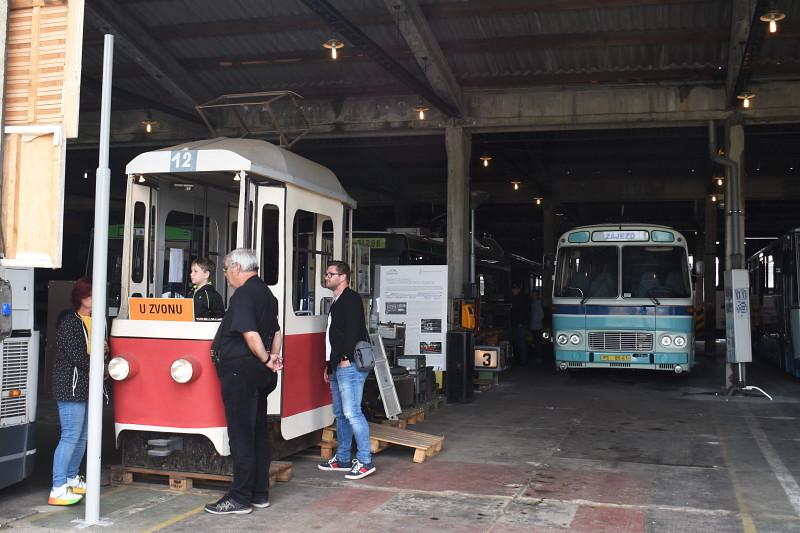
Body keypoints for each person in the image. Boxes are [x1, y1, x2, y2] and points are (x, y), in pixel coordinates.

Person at [204, 249, 284, 515]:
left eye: (226, 269)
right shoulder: (266, 293)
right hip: (257, 375)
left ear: (238, 267)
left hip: (241, 373)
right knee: (258, 432)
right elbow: (277, 331)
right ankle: (259, 493)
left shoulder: (244, 294)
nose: (225, 275)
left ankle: (239, 497)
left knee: (241, 436)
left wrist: (263, 358)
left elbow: (250, 335)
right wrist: (272, 358)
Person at [317, 260, 376, 480]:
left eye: (330, 274)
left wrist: (343, 358)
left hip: (348, 365)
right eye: (326, 274)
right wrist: (328, 365)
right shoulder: (337, 301)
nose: (326, 277)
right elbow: (335, 337)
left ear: (343, 277)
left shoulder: (350, 299)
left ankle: (364, 460)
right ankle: (342, 458)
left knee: (352, 413)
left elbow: (352, 331)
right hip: (338, 365)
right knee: (341, 414)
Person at [49, 277, 95, 505]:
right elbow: (79, 358)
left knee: (83, 436)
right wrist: (101, 365)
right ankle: (57, 487)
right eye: (92, 294)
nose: (96, 299)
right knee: (70, 436)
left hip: (86, 387)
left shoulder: (94, 321)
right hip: (70, 387)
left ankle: (72, 478)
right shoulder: (69, 322)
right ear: (82, 297)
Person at [509, 283, 531, 366]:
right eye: (512, 289)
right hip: (516, 323)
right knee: (517, 341)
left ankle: (523, 360)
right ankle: (519, 359)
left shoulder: (521, 299)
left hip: (520, 323)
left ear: (518, 290)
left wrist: (521, 322)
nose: (513, 291)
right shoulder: (514, 298)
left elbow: (523, 312)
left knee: (521, 342)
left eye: (514, 289)